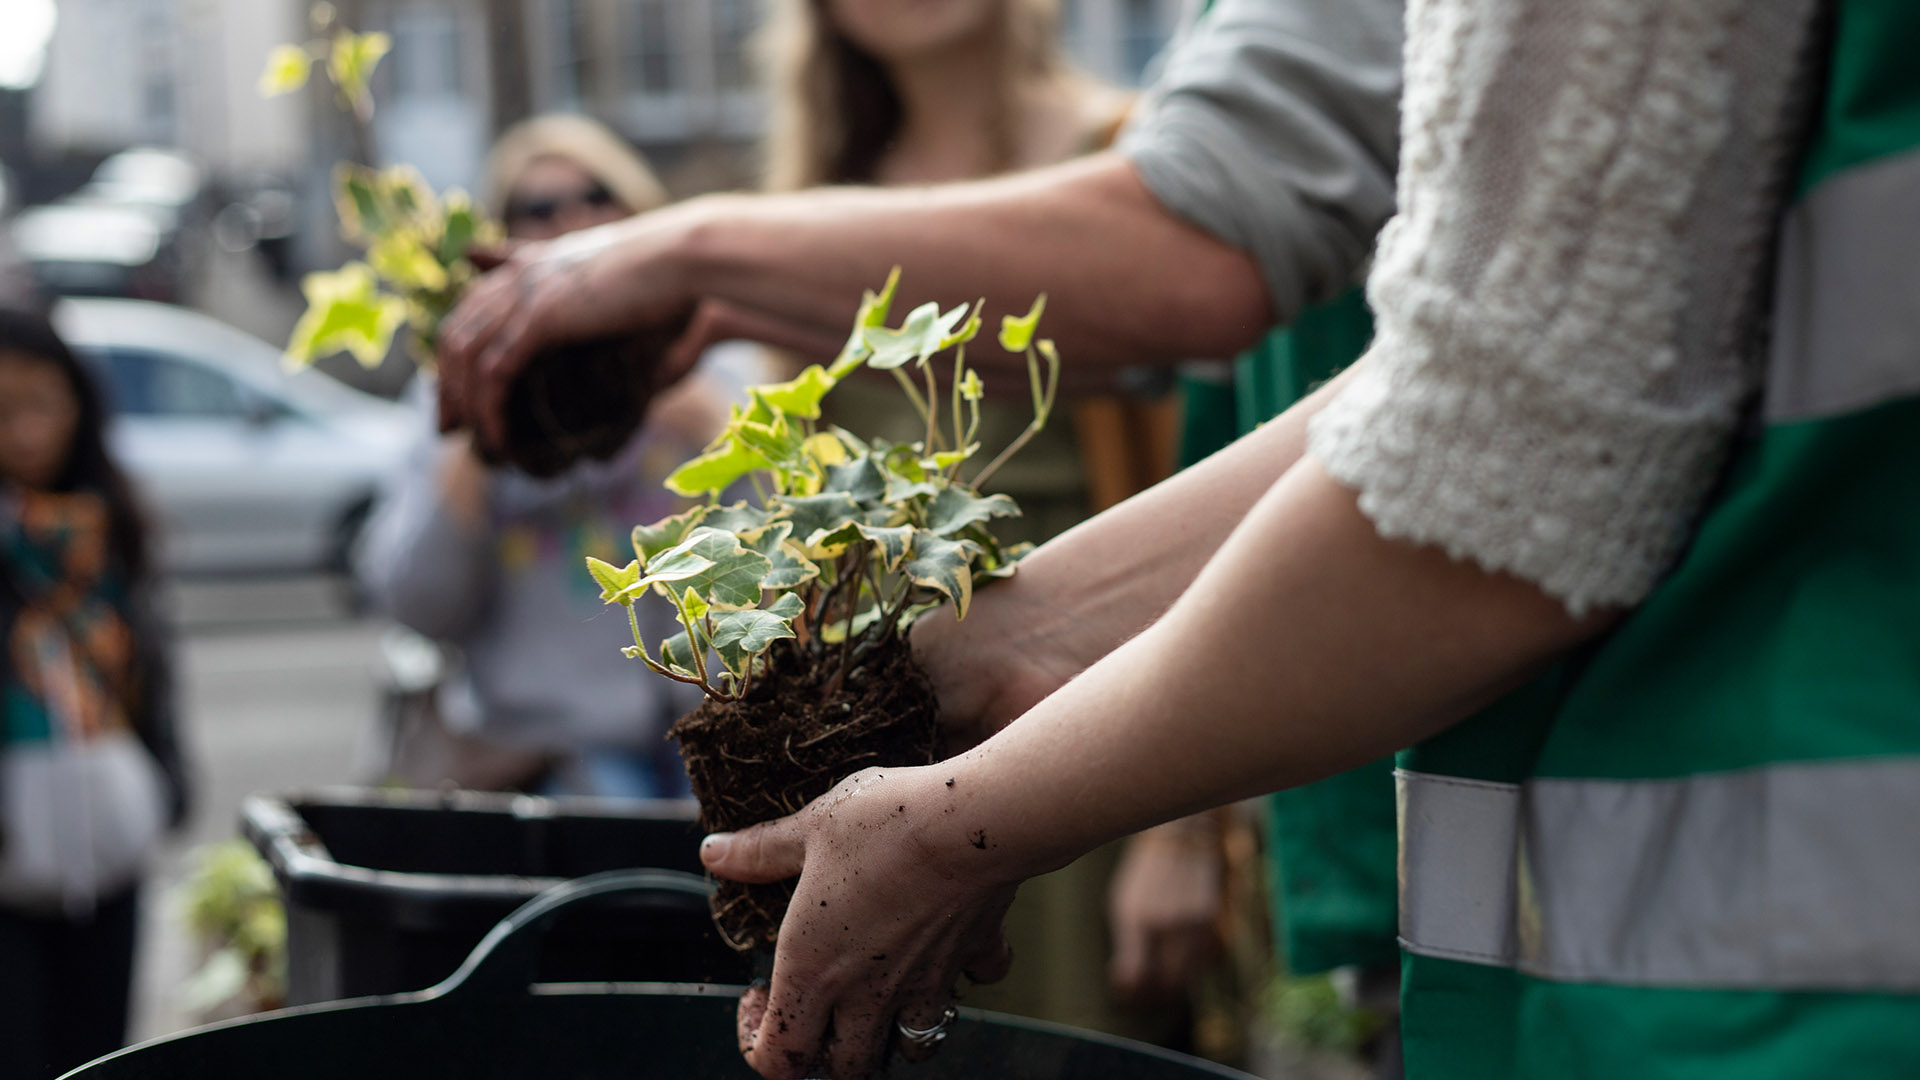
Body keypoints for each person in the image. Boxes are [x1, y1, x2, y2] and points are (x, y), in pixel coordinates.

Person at [684, 1, 1920, 1078]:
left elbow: (1503, 464)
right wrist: (1038, 631)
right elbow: (1495, 383)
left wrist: (969, 819)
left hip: (1799, 987)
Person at [757, 0, 1245, 1043]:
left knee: (1076, 1042)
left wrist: (1187, 833)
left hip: (1091, 725)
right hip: (870, 735)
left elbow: (1215, 503)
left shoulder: (1131, 161)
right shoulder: (811, 208)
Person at [356, 115, 738, 798]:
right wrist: (478, 441)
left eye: (596, 195)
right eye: (537, 208)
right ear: (497, 246)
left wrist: (707, 422)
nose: (572, 221)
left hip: (717, 751)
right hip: (546, 772)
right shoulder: (458, 386)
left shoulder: (709, 357)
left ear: (640, 212)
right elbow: (415, 601)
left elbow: (794, 563)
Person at [0, 306, 189, 1077]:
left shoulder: (115, 523)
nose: (24, 431)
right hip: (8, 858)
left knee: (101, 1054)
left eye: (41, 403)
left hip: (109, 845)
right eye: (3, 410)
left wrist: (167, 785)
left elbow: (155, 671)